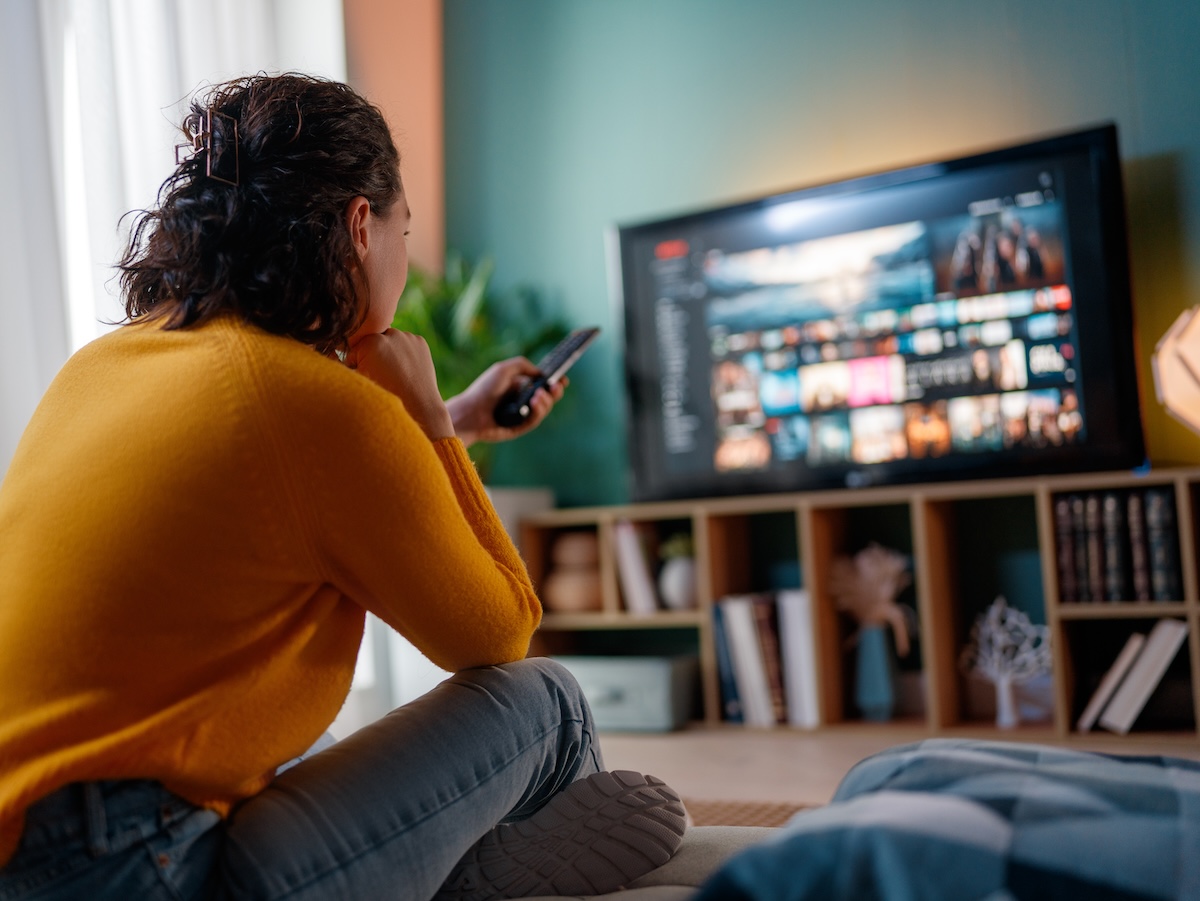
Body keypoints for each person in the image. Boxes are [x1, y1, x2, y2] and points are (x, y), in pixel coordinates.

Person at [0, 73, 686, 900]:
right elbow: (500, 632)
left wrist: (457, 419)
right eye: (405, 229)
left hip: (35, 849)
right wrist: (428, 418)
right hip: (144, 870)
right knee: (551, 700)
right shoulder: (316, 409)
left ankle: (460, 869)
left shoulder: (106, 364)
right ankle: (486, 876)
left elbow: (276, 479)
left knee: (330, 752)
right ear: (363, 225)